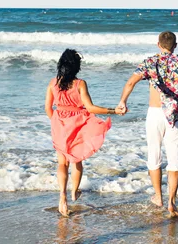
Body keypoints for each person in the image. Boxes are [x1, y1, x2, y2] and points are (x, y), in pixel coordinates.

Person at [117, 31, 178, 217]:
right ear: (175, 45)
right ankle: (172, 202)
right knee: (174, 159)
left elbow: (130, 83)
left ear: (158, 44)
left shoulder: (150, 62)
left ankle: (159, 197)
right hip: (175, 115)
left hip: (154, 113)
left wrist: (123, 102)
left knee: (154, 156)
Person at [45, 49, 125, 216]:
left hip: (59, 123)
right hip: (78, 124)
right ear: (77, 67)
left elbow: (47, 108)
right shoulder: (80, 84)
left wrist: (57, 122)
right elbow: (90, 108)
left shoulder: (53, 83)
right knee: (77, 160)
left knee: (62, 163)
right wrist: (113, 111)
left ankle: (62, 196)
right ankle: (74, 192)